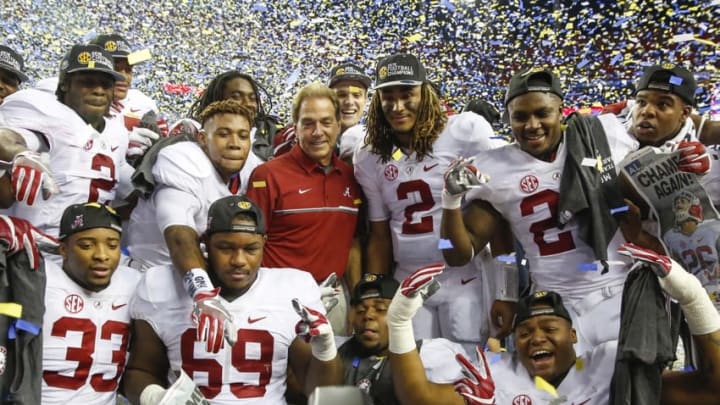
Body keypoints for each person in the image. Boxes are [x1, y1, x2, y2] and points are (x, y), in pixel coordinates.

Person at [440, 67, 649, 352]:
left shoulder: (604, 136)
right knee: (561, 393)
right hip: (552, 305)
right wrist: (450, 202)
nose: (532, 125)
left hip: (618, 290)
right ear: (508, 119)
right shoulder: (493, 169)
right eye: (520, 117)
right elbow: (455, 254)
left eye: (542, 113)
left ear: (561, 111)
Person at [122, 195, 343, 404]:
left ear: (264, 243)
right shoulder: (160, 284)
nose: (238, 260)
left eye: (251, 249)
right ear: (205, 243)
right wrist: (156, 398)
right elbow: (140, 372)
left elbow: (319, 394)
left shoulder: (293, 288)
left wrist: (325, 349)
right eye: (226, 248)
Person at [353, 52, 501, 346]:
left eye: (408, 94)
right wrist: (374, 294)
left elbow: (500, 211)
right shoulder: (369, 155)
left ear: (426, 92)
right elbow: (381, 235)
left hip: (463, 276)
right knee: (414, 366)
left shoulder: (466, 131)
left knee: (468, 363)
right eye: (388, 97)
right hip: (407, 278)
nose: (397, 106)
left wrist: (507, 291)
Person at [453, 243, 720, 404]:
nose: (536, 338)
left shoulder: (609, 370)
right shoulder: (496, 378)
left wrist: (693, 298)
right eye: (524, 333)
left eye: (548, 329)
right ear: (513, 345)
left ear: (573, 335)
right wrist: (407, 323)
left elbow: (713, 390)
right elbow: (420, 397)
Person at [246, 82, 361, 334]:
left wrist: (357, 300)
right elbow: (250, 243)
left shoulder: (352, 177)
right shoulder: (267, 175)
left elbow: (351, 243)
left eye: (326, 122)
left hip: (333, 298)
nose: (317, 132)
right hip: (278, 299)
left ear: (339, 125)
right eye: (308, 123)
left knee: (331, 371)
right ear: (295, 127)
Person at [0, 44, 147, 238]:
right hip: (39, 249)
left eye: (106, 84)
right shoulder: (49, 115)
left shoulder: (117, 133)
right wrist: (20, 153)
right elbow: (8, 137)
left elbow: (134, 194)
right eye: (88, 82)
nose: (99, 91)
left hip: (89, 251)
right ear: (64, 84)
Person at [126, 99, 259, 269]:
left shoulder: (252, 168)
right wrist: (201, 288)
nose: (234, 144)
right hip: (156, 277)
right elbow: (180, 234)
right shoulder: (186, 161)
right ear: (202, 138)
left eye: (243, 136)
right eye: (223, 134)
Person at [42, 202, 141, 404]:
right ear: (63, 249)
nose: (102, 255)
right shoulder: (39, 279)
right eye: (86, 246)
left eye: (112, 246)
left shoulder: (134, 283)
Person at [337, 270, 467, 405]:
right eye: (360, 311)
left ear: (402, 310)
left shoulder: (430, 355)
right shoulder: (339, 351)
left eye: (380, 308)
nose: (368, 315)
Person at [273, 62, 372, 160]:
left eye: (357, 95)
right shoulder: (297, 137)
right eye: (341, 95)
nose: (349, 102)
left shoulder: (372, 143)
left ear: (366, 99)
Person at [189, 70, 279, 161]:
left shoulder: (274, 132)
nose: (248, 103)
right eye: (236, 97)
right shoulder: (193, 131)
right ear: (216, 101)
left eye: (253, 98)